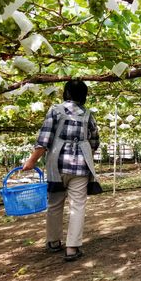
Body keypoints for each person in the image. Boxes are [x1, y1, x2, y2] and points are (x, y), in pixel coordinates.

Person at [23, 80, 99, 262]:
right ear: (84, 95)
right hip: (80, 167)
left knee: (55, 204)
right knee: (77, 205)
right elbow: (95, 142)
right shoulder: (88, 115)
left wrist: (31, 161)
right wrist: (81, 150)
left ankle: (53, 242)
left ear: (66, 93)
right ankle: (72, 248)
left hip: (57, 166)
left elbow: (44, 140)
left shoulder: (55, 110)